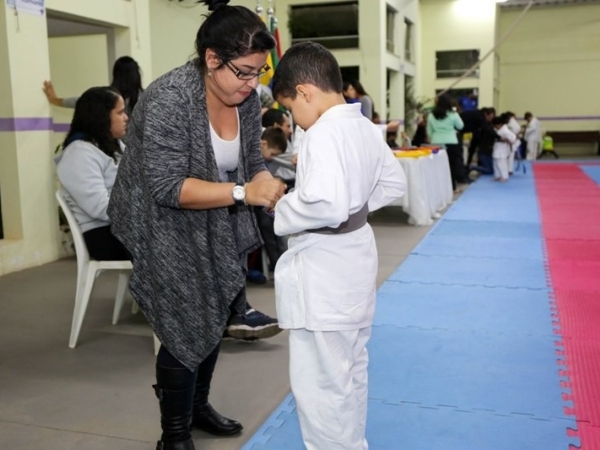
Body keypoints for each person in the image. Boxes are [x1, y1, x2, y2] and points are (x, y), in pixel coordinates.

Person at [106, 2, 287, 449]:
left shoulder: (243, 99)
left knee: (217, 309)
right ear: (211, 58)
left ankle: (197, 405)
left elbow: (249, 163)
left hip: (214, 215)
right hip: (160, 219)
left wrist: (266, 182)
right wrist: (245, 194)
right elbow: (167, 187)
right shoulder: (169, 98)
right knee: (185, 317)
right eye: (244, 71)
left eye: (259, 72)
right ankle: (174, 434)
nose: (252, 84)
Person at [271, 41, 407, 450]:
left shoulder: (321, 133)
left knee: (321, 388)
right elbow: (394, 183)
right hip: (356, 260)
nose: (295, 120)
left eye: (292, 109)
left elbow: (326, 203)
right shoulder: (363, 125)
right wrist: (354, 206)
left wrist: (282, 206)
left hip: (326, 274)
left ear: (306, 91)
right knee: (350, 373)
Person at [55, 87, 129, 261]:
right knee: (178, 244)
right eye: (120, 113)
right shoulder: (79, 154)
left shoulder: (112, 145)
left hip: (124, 228)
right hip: (104, 235)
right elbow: (101, 208)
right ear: (102, 117)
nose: (126, 118)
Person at [43, 56, 144, 117]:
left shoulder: (108, 96)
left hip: (113, 149)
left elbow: (82, 101)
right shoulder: (145, 98)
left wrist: (55, 100)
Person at [427, 94, 465, 191]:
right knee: (452, 166)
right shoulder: (453, 114)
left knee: (437, 167)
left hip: (436, 143)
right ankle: (452, 188)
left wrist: (434, 139)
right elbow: (461, 126)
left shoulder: (431, 115)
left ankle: (438, 188)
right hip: (451, 142)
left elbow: (429, 131)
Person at [492, 115, 516, 182]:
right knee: (496, 163)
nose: (495, 127)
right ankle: (498, 176)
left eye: (496, 125)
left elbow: (513, 138)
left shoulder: (505, 130)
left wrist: (509, 141)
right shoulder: (500, 129)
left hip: (502, 149)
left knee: (502, 163)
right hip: (497, 147)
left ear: (500, 124)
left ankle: (505, 177)